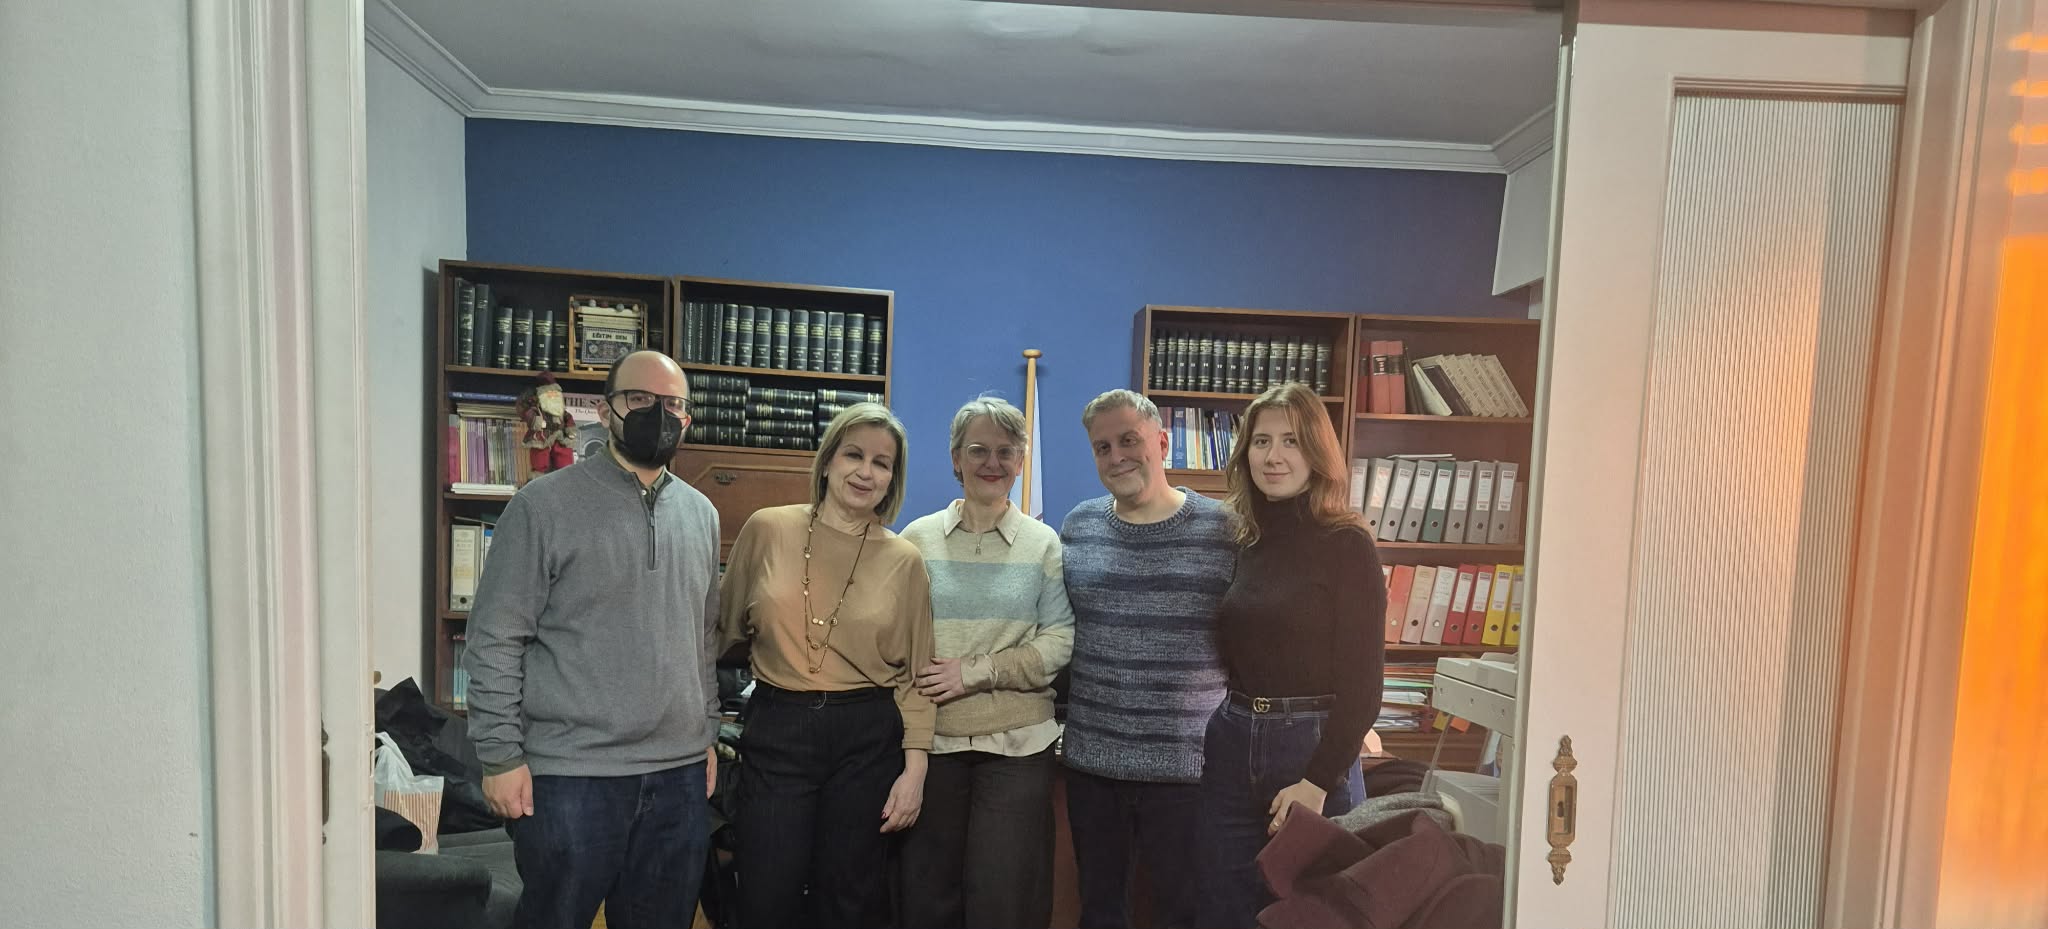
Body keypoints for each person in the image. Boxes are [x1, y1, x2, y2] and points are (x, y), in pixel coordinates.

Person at [464, 349, 721, 929]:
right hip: (570, 776)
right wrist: (500, 756)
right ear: (605, 412)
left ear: (687, 418)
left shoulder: (702, 514)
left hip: (679, 777)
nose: (657, 413)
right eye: (639, 399)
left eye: (672, 404)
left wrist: (705, 734)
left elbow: (702, 638)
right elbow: (496, 637)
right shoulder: (542, 506)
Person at [717, 401, 936, 929]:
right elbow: (721, 634)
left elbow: (915, 676)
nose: (865, 472)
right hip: (779, 725)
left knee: (849, 899)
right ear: (828, 460)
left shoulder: (905, 560)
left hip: (866, 737)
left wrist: (915, 770)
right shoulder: (768, 528)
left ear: (893, 479)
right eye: (854, 455)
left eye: (882, 463)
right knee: (765, 893)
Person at [1199, 382, 1387, 927]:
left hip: (1310, 747)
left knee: (1314, 912)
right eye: (1261, 441)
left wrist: (1318, 781)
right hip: (1233, 740)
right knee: (1224, 908)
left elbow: (1364, 688)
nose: (1273, 456)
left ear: (1317, 453)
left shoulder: (1347, 544)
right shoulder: (1245, 540)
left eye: (1291, 441)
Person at [1058, 388, 1238, 929]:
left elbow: (1257, 636)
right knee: (1099, 913)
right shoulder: (1078, 526)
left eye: (1129, 440)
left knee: (1183, 914)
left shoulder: (1225, 529)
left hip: (1189, 770)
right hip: (1093, 768)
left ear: (1161, 442)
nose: (1116, 457)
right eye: (1102, 447)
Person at [898, 396, 1076, 929]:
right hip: (934, 745)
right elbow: (896, 640)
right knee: (929, 899)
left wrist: (975, 672)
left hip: (1017, 748)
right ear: (956, 458)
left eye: (1005, 451)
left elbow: (1059, 640)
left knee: (1004, 902)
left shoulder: (1044, 544)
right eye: (978, 450)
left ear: (1021, 461)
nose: (991, 463)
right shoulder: (915, 540)